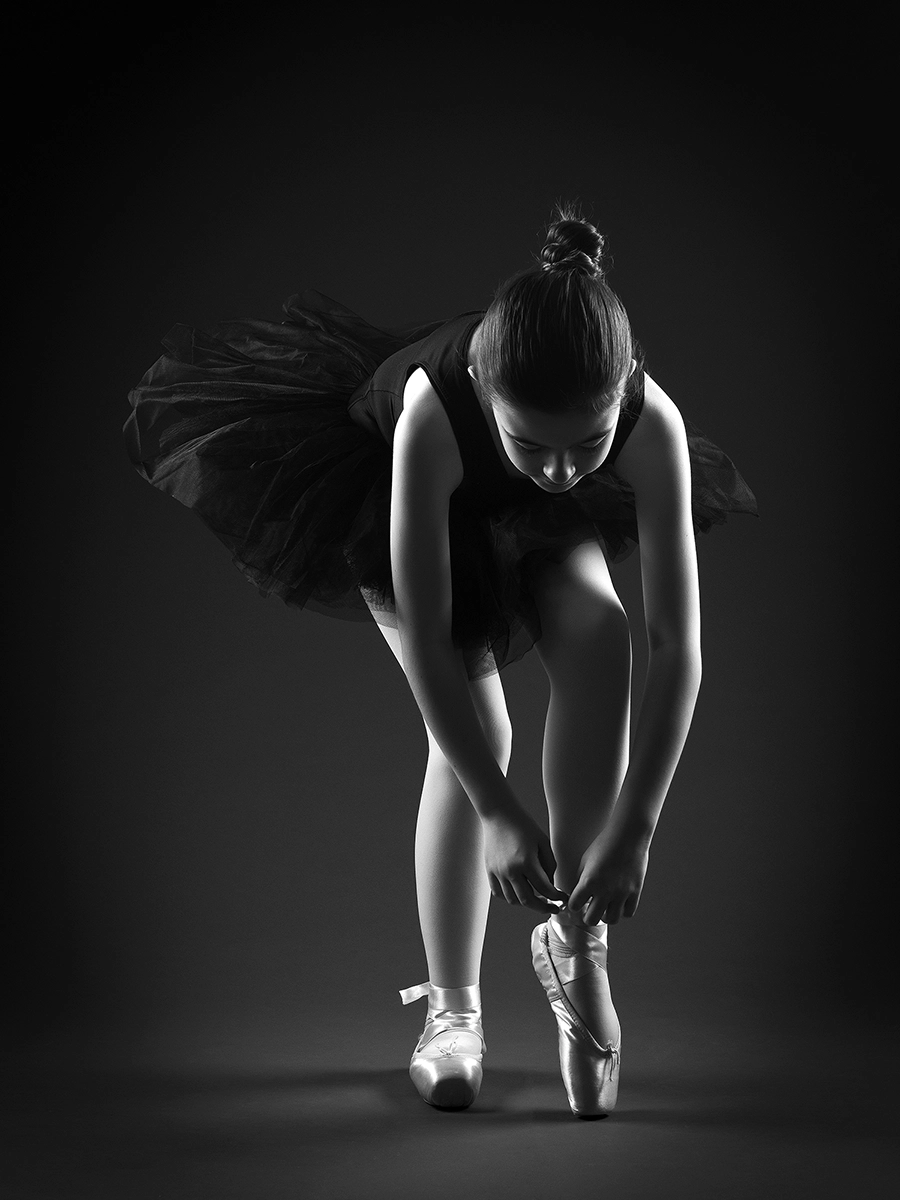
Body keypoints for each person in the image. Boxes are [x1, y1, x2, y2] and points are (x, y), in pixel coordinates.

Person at [125, 205, 757, 1118]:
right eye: (529, 443)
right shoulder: (434, 411)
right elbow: (428, 638)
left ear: (620, 398)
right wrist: (500, 811)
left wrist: (636, 829)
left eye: (587, 445)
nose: (559, 470)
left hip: (522, 528)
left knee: (604, 638)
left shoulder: (649, 422)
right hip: (424, 512)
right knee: (477, 732)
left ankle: (578, 949)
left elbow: (677, 644)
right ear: (492, 403)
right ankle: (452, 1013)